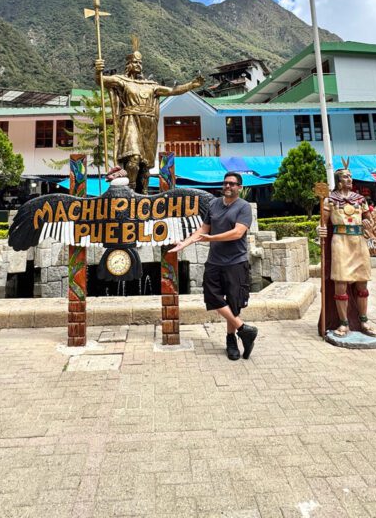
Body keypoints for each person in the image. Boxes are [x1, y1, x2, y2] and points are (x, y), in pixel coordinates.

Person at [95, 39, 205, 193]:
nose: (138, 65)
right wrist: (98, 71)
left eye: (140, 63)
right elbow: (102, 81)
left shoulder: (151, 85)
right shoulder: (122, 81)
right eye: (135, 62)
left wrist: (191, 85)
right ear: (128, 65)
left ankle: (144, 195)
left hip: (149, 126)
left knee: (145, 165)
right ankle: (129, 192)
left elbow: (172, 91)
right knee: (133, 159)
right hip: (131, 120)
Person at [170, 171, 258, 361]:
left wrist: (212, 238)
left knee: (234, 303)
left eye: (232, 184)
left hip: (236, 262)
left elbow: (237, 233)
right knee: (211, 296)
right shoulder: (213, 204)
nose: (227, 186)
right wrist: (184, 244)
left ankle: (231, 340)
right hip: (215, 261)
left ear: (239, 187)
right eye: (225, 183)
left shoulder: (243, 207)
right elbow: (203, 230)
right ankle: (244, 330)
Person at [316, 166, 376, 339]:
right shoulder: (330, 200)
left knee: (362, 283)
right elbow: (323, 223)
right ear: (338, 181)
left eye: (350, 176)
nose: (349, 179)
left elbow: (369, 221)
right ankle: (343, 323)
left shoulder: (360, 200)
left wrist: (368, 224)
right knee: (341, 282)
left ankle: (363, 321)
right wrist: (319, 230)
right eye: (345, 177)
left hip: (358, 241)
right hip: (340, 241)